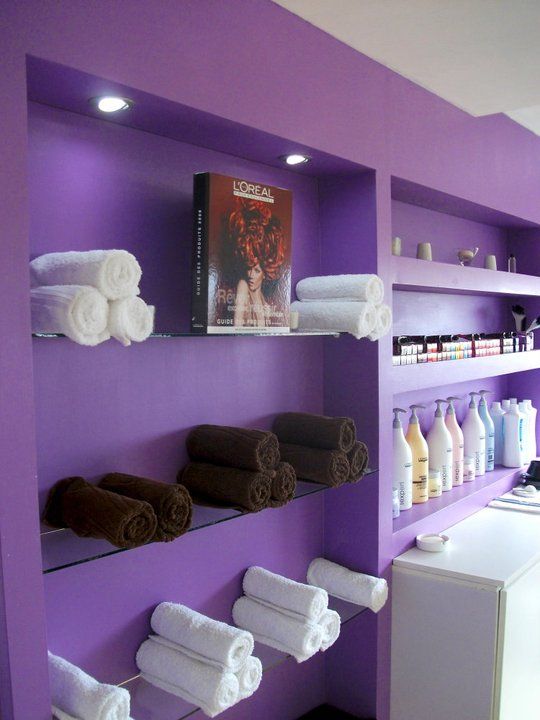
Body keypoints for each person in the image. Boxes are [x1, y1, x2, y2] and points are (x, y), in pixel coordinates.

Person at [225, 197, 288, 328]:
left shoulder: (263, 300)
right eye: (250, 268)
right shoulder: (243, 285)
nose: (251, 274)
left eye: (257, 270)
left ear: (265, 273)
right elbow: (237, 327)